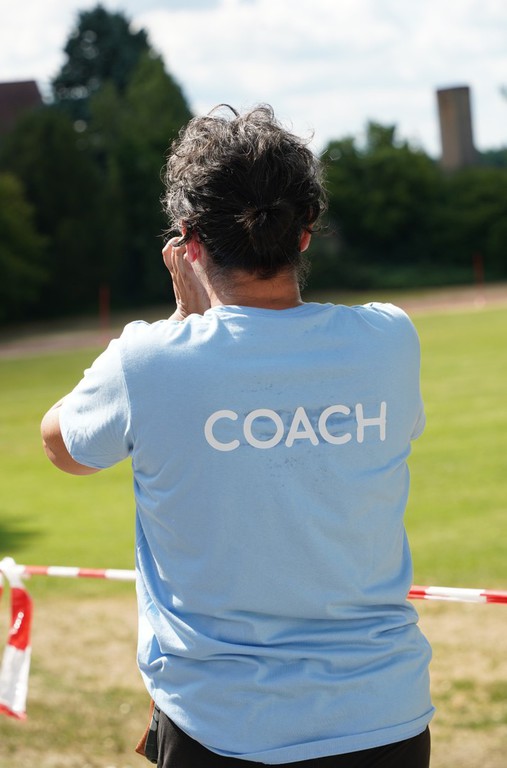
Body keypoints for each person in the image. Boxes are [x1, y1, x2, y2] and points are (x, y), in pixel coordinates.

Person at [41, 104, 433, 767]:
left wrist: (181, 322)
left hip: (220, 728)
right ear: (304, 231)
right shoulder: (390, 339)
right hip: (385, 721)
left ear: (189, 242)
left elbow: (62, 447)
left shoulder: (148, 362)